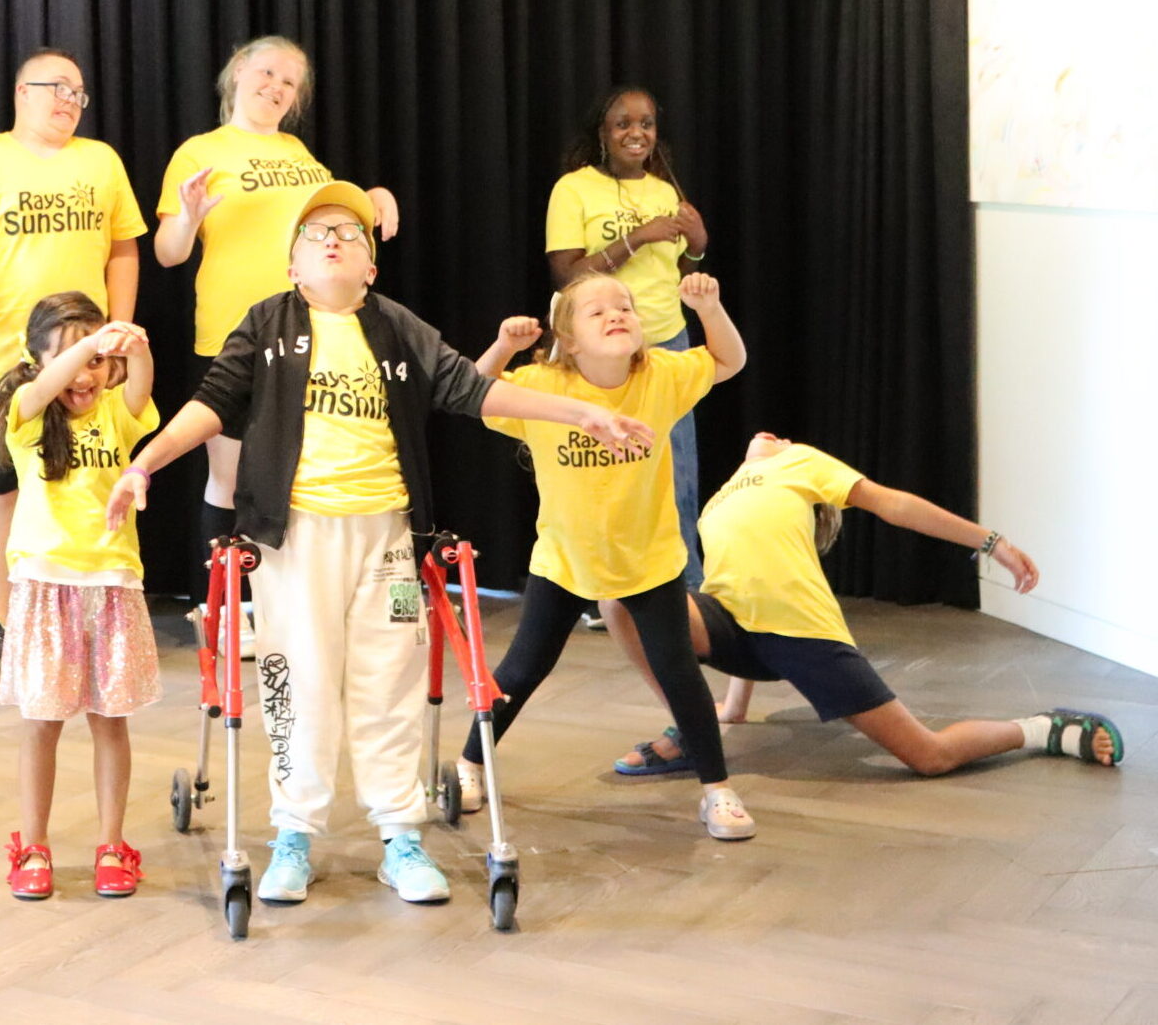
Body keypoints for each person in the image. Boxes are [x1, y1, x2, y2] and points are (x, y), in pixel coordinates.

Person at [107, 181, 653, 905]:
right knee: (298, 683)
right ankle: (294, 835)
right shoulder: (266, 324)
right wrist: (143, 463)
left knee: (388, 685)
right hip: (292, 538)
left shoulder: (399, 328)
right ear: (293, 265)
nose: (335, 238)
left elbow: (474, 390)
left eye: (352, 233)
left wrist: (581, 414)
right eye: (316, 232)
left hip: (389, 537)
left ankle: (401, 836)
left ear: (371, 267)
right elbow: (209, 406)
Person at [605, 432, 1123, 776]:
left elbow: (893, 504)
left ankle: (1042, 729)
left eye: (781, 436)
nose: (773, 434)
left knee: (929, 756)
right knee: (618, 599)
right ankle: (691, 729)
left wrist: (991, 542)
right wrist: (734, 708)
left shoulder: (799, 461)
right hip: (733, 627)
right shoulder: (723, 494)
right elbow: (741, 583)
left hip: (802, 635)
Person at [464, 271, 754, 839]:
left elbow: (730, 361)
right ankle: (470, 765)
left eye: (624, 306)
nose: (616, 313)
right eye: (596, 312)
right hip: (566, 560)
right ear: (568, 340)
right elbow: (470, 390)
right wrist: (504, 346)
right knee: (522, 669)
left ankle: (717, 790)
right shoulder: (543, 383)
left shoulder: (662, 375)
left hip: (648, 560)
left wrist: (710, 309)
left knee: (680, 673)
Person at [154, 36, 400, 655]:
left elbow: (334, 223)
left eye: (290, 83)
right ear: (238, 72)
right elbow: (168, 251)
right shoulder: (200, 151)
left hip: (312, 330)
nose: (276, 88)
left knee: (294, 472)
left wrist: (373, 200)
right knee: (230, 476)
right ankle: (225, 609)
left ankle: (282, 602)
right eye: (267, 73)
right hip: (236, 333)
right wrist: (186, 215)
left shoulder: (298, 152)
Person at [0, 47, 145, 681]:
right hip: (9, 365)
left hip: (89, 368)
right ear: (22, 92)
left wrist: (118, 338)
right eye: (57, 88)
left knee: (92, 483)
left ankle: (93, 618)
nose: (69, 101)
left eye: (79, 92)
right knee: (5, 490)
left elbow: (123, 252)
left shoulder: (101, 162)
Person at [0, 295, 161, 901]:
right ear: (37, 359)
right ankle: (32, 845)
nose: (84, 375)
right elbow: (44, 388)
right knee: (42, 724)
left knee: (110, 723)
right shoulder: (26, 411)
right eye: (67, 357)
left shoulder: (116, 411)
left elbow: (140, 391)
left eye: (96, 360)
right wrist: (88, 346)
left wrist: (134, 349)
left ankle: (112, 845)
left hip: (112, 585)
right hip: (44, 584)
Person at [545, 86, 711, 609]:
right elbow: (567, 272)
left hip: (665, 341)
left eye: (646, 124)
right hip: (596, 352)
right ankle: (604, 595)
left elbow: (682, 267)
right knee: (606, 477)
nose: (636, 133)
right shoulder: (573, 189)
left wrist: (699, 242)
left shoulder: (665, 191)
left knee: (676, 472)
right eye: (623, 124)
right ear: (603, 133)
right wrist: (637, 237)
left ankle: (685, 590)